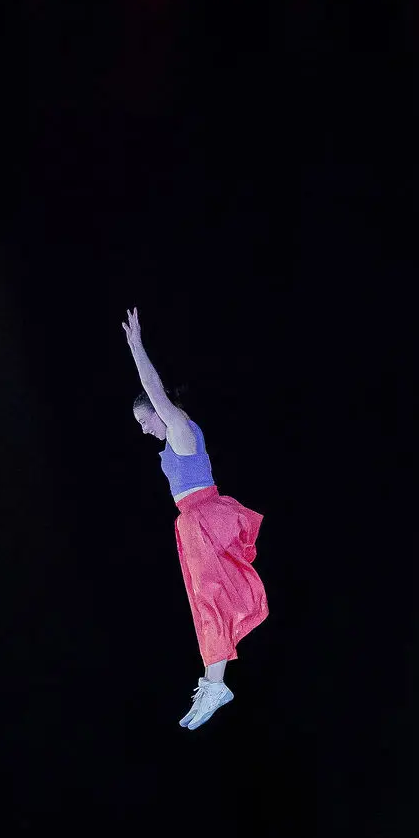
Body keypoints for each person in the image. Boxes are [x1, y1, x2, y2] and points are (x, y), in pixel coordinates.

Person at [123, 307, 269, 729]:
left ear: (157, 410)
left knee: (211, 599)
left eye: (143, 420)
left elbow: (153, 388)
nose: (144, 430)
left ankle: (215, 684)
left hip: (205, 518)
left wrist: (136, 347)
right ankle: (213, 682)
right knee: (205, 601)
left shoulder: (180, 427)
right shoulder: (175, 439)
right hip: (193, 523)